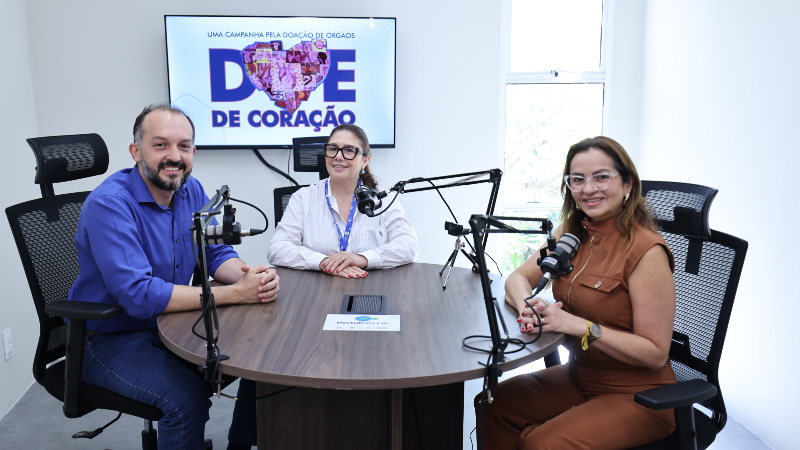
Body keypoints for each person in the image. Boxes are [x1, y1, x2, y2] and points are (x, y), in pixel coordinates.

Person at [69, 103, 280, 450]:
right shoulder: (110, 205)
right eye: (160, 145)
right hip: (109, 339)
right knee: (186, 401)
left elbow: (214, 252)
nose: (174, 156)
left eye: (183, 146)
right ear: (136, 151)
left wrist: (247, 276)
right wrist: (235, 294)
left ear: (193, 151)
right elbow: (138, 295)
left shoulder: (189, 190)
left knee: (261, 357)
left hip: (173, 325)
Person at [476, 136, 677, 450]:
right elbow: (517, 278)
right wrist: (527, 303)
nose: (588, 188)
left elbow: (655, 353)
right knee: (493, 404)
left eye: (601, 177)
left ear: (627, 184)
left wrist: (577, 325)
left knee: (542, 444)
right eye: (578, 179)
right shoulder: (572, 232)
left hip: (640, 396)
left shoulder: (646, 251)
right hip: (580, 377)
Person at [226, 124, 419, 449]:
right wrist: (322, 261)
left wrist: (362, 257)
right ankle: (245, 441)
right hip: (309, 305)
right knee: (263, 356)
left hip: (365, 302)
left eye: (348, 150)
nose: (338, 156)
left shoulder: (382, 202)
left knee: (377, 363)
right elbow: (278, 248)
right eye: (332, 149)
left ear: (364, 159)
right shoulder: (305, 198)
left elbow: (409, 246)